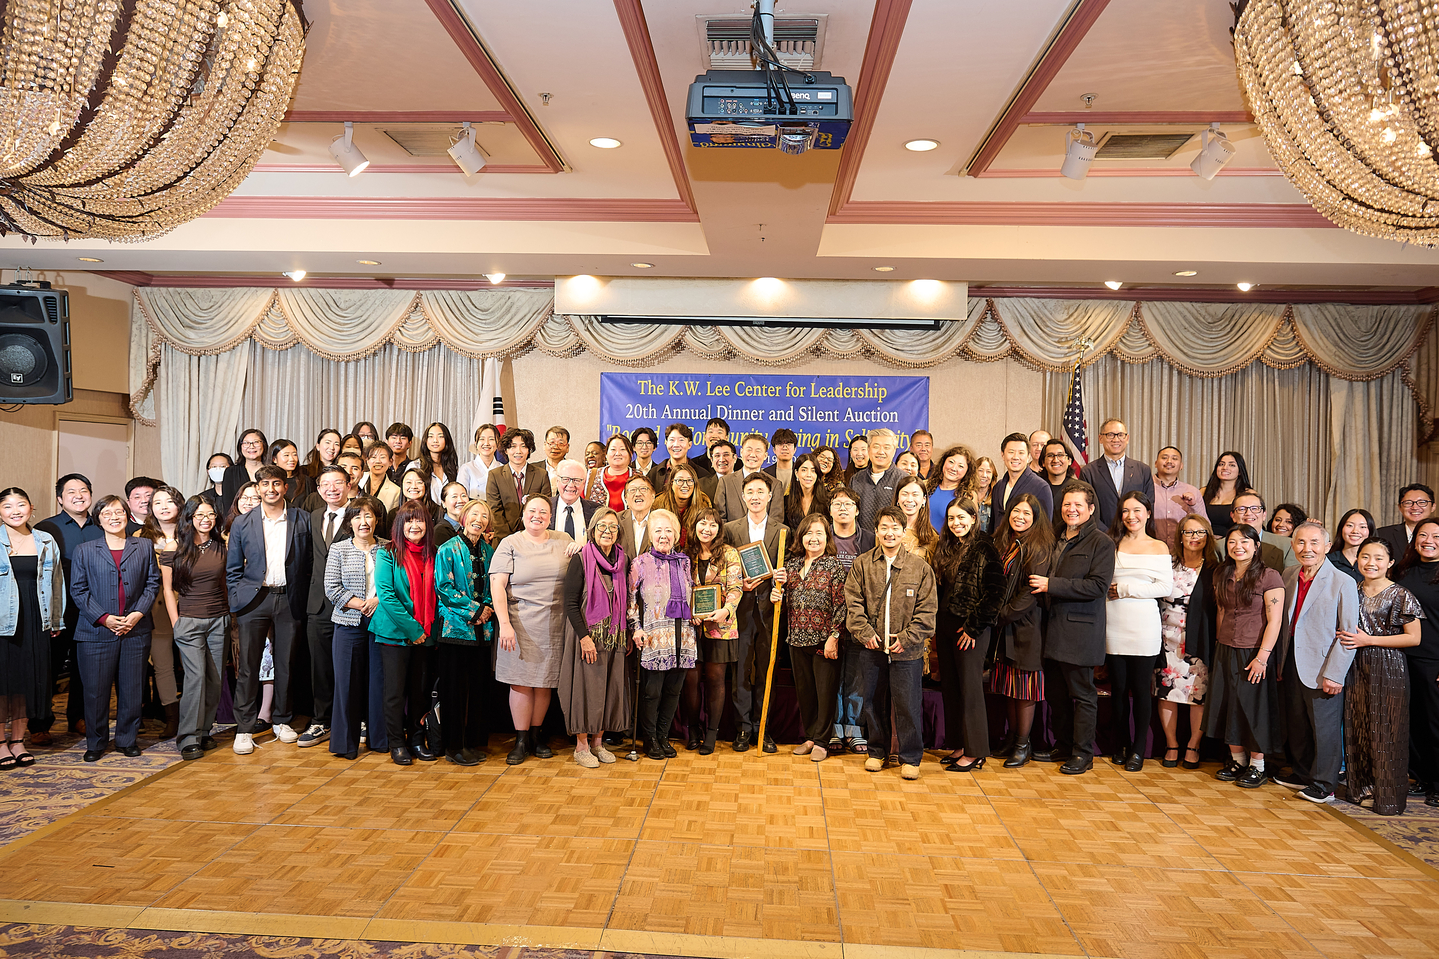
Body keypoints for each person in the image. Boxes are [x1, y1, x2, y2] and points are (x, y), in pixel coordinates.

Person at [225, 465, 313, 756]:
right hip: (254, 600)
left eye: (277, 484)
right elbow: (233, 569)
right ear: (258, 488)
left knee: (286, 663)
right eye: (265, 485)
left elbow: (311, 563)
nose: (271, 489)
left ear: (286, 487)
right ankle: (244, 728)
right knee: (249, 667)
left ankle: (282, 721)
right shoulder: (243, 522)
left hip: (290, 599)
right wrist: (239, 599)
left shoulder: (303, 519)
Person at [846, 506, 937, 780]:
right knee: (872, 701)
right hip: (871, 648)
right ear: (876, 531)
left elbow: (927, 611)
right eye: (884, 527)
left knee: (907, 704)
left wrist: (907, 638)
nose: (889, 532)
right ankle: (877, 751)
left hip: (906, 651)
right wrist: (865, 633)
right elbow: (853, 603)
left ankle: (911, 757)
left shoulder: (919, 568)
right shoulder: (862, 564)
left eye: (895, 527)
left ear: (903, 531)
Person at [1030, 482, 1115, 775]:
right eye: (1067, 504)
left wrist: (1051, 585)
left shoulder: (1101, 543)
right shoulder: (1053, 536)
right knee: (1056, 693)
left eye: (1078, 505)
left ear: (1091, 509)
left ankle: (1082, 753)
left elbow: (1097, 586)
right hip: (1050, 629)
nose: (1072, 510)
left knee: (1082, 695)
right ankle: (1063, 746)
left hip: (1080, 632)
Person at [1273, 521, 1359, 803]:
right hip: (1291, 662)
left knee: (1325, 728)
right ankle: (1301, 772)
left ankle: (1325, 783)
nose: (1306, 549)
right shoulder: (1288, 574)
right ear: (1292, 545)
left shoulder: (1342, 581)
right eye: (1300, 543)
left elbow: (1348, 634)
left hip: (1323, 667)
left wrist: (1336, 673)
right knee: (1297, 723)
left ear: (1326, 547)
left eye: (1313, 543)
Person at [70, 494, 159, 762]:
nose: (114, 517)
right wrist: (104, 618)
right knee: (95, 690)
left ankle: (126, 739)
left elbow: (152, 584)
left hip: (135, 629)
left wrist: (137, 614)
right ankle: (96, 742)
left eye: (118, 512)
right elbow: (78, 589)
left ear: (126, 515)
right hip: (95, 632)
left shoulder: (143, 546)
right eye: (107, 513)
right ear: (98, 519)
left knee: (132, 688)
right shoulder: (85, 550)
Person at [1338, 537, 1421, 815]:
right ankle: (1360, 788)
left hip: (1389, 669)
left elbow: (1414, 639)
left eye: (1378, 558)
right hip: (1355, 666)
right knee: (1358, 726)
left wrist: (1369, 640)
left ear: (1390, 563)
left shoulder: (1401, 594)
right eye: (1365, 557)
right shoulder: (1351, 589)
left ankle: (1388, 797)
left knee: (1387, 731)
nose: (1370, 563)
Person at [490, 495, 572, 764]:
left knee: (545, 683)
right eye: (532, 511)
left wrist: (579, 547)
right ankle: (521, 739)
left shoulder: (563, 540)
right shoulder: (510, 543)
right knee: (522, 682)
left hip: (555, 624)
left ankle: (537, 736)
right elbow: (497, 587)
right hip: (519, 623)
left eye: (544, 512)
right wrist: (504, 624)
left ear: (551, 516)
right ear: (523, 514)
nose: (537, 515)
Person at [1204, 525, 1285, 788]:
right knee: (1228, 705)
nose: (1238, 546)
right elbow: (1220, 611)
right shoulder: (1222, 573)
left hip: (1254, 651)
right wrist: (1219, 644)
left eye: (1245, 541)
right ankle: (1237, 760)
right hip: (1226, 647)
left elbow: (1275, 621)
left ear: (1256, 545)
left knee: (1254, 709)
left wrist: (1262, 657)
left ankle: (1257, 766)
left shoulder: (1269, 576)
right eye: (1232, 542)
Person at [1104, 491, 1174, 772]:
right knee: (1118, 689)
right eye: (1125, 511)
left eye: (1137, 510)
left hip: (1144, 626)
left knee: (1141, 691)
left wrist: (1125, 589)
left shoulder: (1159, 547)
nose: (1131, 516)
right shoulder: (1112, 544)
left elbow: (1164, 588)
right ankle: (1120, 744)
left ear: (1147, 513)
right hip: (1114, 623)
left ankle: (1138, 749)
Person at [931, 497, 1002, 772]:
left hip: (971, 630)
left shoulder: (985, 546)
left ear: (974, 518)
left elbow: (995, 593)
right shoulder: (947, 546)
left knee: (971, 690)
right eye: (951, 519)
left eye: (962, 518)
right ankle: (959, 744)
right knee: (952, 688)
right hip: (947, 627)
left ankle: (975, 751)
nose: (956, 523)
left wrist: (974, 627)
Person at [770, 512, 846, 762]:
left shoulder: (834, 566)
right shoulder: (790, 566)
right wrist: (775, 592)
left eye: (819, 534)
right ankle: (812, 736)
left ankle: (823, 742)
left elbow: (842, 605)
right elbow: (781, 601)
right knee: (805, 692)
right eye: (809, 533)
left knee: (825, 693)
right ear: (801, 536)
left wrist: (834, 636)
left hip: (823, 640)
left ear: (827, 538)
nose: (813, 539)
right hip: (795, 639)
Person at [559, 506, 630, 767]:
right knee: (586, 690)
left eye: (613, 527)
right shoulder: (581, 558)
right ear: (592, 531)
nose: (608, 531)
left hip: (615, 636)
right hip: (588, 635)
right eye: (602, 526)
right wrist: (584, 637)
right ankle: (581, 746)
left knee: (609, 689)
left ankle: (599, 744)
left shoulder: (623, 560)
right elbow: (569, 602)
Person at [370, 500, 439, 766]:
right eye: (408, 520)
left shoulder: (435, 552)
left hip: (427, 634)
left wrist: (424, 632)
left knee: (420, 692)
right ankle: (397, 743)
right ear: (400, 524)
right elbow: (386, 595)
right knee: (395, 692)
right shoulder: (387, 553)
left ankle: (417, 740)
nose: (414, 525)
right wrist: (413, 629)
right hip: (395, 633)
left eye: (419, 520)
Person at [34, 473, 102, 740]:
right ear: (60, 498)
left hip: (93, 609)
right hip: (58, 609)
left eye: (83, 490)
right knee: (48, 668)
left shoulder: (102, 526)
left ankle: (79, 717)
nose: (78, 495)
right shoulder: (44, 529)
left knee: (84, 668)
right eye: (71, 491)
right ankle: (40, 724)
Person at [161, 496, 228, 760]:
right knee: (196, 678)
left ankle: (203, 731)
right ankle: (187, 737)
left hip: (219, 620)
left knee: (214, 680)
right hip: (188, 621)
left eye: (210, 515)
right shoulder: (174, 547)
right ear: (189, 518)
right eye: (199, 515)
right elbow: (167, 590)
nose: (205, 520)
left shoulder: (222, 546)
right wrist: (176, 622)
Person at [989, 493, 1054, 767]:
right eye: (1016, 511)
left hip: (1026, 624)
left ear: (1036, 517)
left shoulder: (1039, 546)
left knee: (1025, 687)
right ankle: (1012, 737)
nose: (1020, 517)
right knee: (1009, 684)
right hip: (1005, 626)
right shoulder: (1005, 541)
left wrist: (1002, 614)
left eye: (1027, 513)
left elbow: (1031, 590)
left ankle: (1023, 744)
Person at [0, 489, 63, 768]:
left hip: (36, 620)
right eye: (7, 506)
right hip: (3, 623)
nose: (15, 511)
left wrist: (57, 620)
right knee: (3, 685)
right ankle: (0, 744)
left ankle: (18, 741)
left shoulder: (45, 540)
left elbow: (57, 583)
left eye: (21, 504)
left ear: (31, 507)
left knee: (26, 684)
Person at [724, 471, 786, 753]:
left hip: (770, 610)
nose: (756, 497)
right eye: (750, 492)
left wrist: (781, 579)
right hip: (740, 610)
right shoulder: (730, 529)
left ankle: (763, 729)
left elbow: (791, 570)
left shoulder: (783, 530)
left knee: (766, 671)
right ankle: (743, 729)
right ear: (743, 496)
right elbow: (724, 570)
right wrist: (739, 583)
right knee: (740, 672)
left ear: (770, 495)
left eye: (761, 492)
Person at [325, 495, 388, 760]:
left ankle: (379, 739)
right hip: (348, 623)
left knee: (379, 684)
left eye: (369, 516)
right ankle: (345, 744)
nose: (364, 522)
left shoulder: (388, 547)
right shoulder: (339, 549)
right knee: (347, 685)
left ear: (376, 520)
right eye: (358, 516)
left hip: (382, 623)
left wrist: (376, 601)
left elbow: (396, 584)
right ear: (350, 522)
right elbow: (331, 587)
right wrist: (360, 604)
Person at [434, 499, 497, 766]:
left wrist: (488, 608)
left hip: (482, 631)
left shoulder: (488, 550)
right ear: (463, 516)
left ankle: (471, 742)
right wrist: (475, 610)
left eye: (484, 516)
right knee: (453, 691)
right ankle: (453, 746)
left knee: (476, 689)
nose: (479, 519)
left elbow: (497, 583)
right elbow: (444, 588)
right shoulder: (448, 549)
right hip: (455, 630)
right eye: (474, 513)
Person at [629, 509, 695, 759]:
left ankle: (664, 736)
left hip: (683, 637)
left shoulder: (684, 562)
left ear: (676, 535)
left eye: (668, 531)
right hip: (654, 637)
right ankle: (650, 739)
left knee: (673, 691)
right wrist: (636, 627)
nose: (663, 535)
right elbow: (631, 600)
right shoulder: (640, 563)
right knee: (652, 691)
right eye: (658, 530)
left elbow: (693, 595)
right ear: (650, 534)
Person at [1156, 514, 1217, 771]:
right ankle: (1171, 744)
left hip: (1197, 640)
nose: (1194, 538)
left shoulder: (1215, 568)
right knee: (1167, 692)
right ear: (1180, 536)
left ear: (1208, 537)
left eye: (1200, 532)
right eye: (1189, 532)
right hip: (1165, 639)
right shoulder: (1167, 564)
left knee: (1197, 696)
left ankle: (1193, 745)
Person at [683, 506, 742, 754]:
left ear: (719, 529)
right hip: (692, 628)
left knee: (717, 681)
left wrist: (726, 611)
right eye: (702, 524)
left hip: (721, 627)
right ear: (694, 527)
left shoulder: (729, 554)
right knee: (691, 680)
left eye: (713, 525)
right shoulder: (685, 554)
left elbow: (736, 587)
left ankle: (712, 733)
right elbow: (680, 589)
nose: (707, 529)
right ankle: (693, 729)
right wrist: (690, 613)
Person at [302, 466, 352, 749]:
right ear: (319, 489)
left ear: (348, 485)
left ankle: (355, 719)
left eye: (338, 483)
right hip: (317, 604)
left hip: (351, 604)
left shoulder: (359, 515)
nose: (332, 488)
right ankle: (321, 719)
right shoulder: (312, 517)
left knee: (351, 665)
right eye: (326, 484)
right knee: (319, 666)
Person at [1396, 518, 1439, 807]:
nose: (1428, 540)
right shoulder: (1404, 569)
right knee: (1412, 723)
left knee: (1435, 724)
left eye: (1436, 535)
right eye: (1422, 535)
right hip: (1402, 658)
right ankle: (1422, 777)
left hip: (1434, 660)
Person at [828, 487, 874, 754]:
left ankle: (854, 730)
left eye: (848, 504)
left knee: (856, 675)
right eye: (837, 503)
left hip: (861, 617)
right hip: (828, 619)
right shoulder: (824, 537)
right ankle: (834, 729)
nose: (842, 508)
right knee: (833, 674)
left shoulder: (868, 539)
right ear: (830, 509)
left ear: (857, 510)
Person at [136, 485, 184, 739]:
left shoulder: (192, 533)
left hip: (189, 606)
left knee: (192, 664)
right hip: (154, 609)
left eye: (170, 501)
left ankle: (195, 713)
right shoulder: (139, 537)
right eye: (157, 503)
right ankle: (172, 718)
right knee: (163, 665)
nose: (164, 507)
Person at [1076, 418, 1153, 529]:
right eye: (1110, 435)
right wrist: (1106, 536)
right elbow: (1086, 508)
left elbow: (1149, 506)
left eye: (1120, 435)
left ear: (1127, 438)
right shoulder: (1088, 472)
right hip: (1101, 537)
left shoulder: (1142, 470)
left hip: (1136, 535)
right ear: (1100, 438)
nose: (1116, 439)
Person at [487, 428, 552, 538]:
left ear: (529, 450)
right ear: (506, 450)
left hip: (535, 537)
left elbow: (546, 507)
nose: (518, 451)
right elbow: (495, 510)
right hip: (503, 539)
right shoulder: (495, 475)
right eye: (513, 446)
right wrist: (509, 540)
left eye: (523, 446)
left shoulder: (541, 475)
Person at [713, 433, 785, 526]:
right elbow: (719, 517)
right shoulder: (725, 482)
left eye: (758, 451)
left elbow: (776, 520)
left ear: (765, 455)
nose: (752, 454)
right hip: (731, 538)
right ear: (741, 452)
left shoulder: (775, 484)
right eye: (749, 450)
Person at [991, 433, 1052, 536]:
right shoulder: (999, 486)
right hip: (999, 547)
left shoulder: (1041, 487)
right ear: (1002, 455)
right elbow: (993, 523)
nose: (1015, 457)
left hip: (1026, 548)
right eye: (1011, 452)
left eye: (1021, 453)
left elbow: (1044, 529)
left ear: (1028, 456)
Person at [852, 429, 905, 532]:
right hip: (861, 543)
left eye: (886, 447)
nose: (881, 451)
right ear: (868, 449)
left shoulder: (903, 479)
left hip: (892, 541)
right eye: (876, 446)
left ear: (894, 451)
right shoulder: (856, 479)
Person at [1230, 491, 1297, 571]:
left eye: (1254, 509)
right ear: (1233, 516)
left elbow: (1290, 579)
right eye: (1241, 509)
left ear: (1264, 515)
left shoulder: (1287, 545)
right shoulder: (1219, 546)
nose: (1248, 513)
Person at [1151, 446, 1203, 549]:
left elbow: (1204, 525)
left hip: (1183, 551)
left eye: (1174, 458)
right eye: (1164, 457)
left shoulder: (1193, 491)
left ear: (1181, 466)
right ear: (1156, 463)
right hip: (1151, 550)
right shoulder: (1145, 488)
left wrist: (1193, 506)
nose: (1169, 461)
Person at [653, 462, 710, 548]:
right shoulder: (658, 504)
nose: (685, 485)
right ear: (671, 483)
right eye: (680, 480)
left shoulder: (704, 504)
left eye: (690, 481)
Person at [1376, 484, 1435, 563]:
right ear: (1400, 507)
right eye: (1408, 502)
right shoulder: (1382, 534)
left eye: (1422, 502)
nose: (1415, 507)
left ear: (1433, 507)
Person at [219, 428, 268, 517]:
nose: (251, 446)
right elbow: (228, 504)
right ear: (240, 447)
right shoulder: (231, 472)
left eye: (256, 442)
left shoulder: (271, 472)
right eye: (246, 443)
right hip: (239, 523)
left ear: (263, 445)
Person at [1201, 451, 1250, 540]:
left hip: (1233, 542)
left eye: (1231, 465)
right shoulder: (1203, 492)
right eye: (1221, 464)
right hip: (1204, 542)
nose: (1225, 468)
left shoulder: (1248, 494)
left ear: (1240, 471)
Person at [655, 423, 714, 496]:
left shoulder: (702, 474)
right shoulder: (654, 473)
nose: (676, 444)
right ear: (666, 443)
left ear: (689, 445)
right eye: (672, 440)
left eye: (681, 440)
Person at [410, 422, 461, 505]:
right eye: (431, 436)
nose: (435, 440)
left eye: (440, 436)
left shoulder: (453, 468)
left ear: (447, 440)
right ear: (425, 440)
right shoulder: (416, 466)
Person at [550, 459, 599, 544]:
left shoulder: (596, 511)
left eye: (577, 480)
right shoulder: (544, 507)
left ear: (584, 483)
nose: (571, 485)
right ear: (557, 481)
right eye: (565, 479)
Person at [783, 453, 830, 534]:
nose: (809, 475)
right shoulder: (786, 501)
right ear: (796, 473)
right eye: (804, 470)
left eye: (813, 470)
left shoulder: (827, 500)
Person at [896, 477, 939, 564]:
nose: (909, 499)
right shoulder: (885, 529)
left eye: (915, 495)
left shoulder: (932, 537)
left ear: (923, 500)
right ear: (898, 499)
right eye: (905, 494)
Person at [587, 433, 635, 511]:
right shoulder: (592, 475)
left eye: (622, 449)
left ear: (630, 453)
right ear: (606, 454)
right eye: (613, 449)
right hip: (598, 522)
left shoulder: (638, 477)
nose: (617, 453)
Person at [1328, 508, 1375, 583]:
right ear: (1341, 528)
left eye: (1362, 527)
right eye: (1350, 525)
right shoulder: (1328, 561)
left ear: (1370, 531)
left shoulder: (1375, 562)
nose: (1355, 531)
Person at [457, 423, 503, 500]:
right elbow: (461, 498)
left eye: (491, 439)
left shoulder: (503, 469)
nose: (486, 443)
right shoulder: (466, 468)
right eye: (482, 439)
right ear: (476, 443)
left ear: (497, 443)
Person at [618, 474, 656, 560]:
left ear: (653, 496)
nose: (638, 494)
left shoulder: (662, 521)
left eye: (643, 489)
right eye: (632, 490)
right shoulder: (616, 520)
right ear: (626, 499)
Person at [268, 439, 315, 507]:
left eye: (294, 455)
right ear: (274, 459)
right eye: (286, 455)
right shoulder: (268, 482)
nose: (292, 459)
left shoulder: (306, 481)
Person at [359, 441, 402, 515]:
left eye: (382, 457)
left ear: (390, 462)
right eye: (373, 457)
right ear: (367, 461)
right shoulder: (358, 480)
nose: (378, 461)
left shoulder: (396, 491)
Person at [1040, 441, 1073, 519]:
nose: (1055, 460)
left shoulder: (1082, 488)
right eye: (1050, 455)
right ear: (1043, 462)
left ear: (1069, 461)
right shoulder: (1035, 487)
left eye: (1060, 455)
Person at [435, 481, 470, 547]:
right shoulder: (440, 531)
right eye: (454, 496)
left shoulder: (470, 526)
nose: (460, 500)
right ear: (443, 503)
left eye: (463, 495)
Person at [766, 428, 798, 495]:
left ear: (795, 449)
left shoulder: (801, 472)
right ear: (774, 449)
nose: (785, 448)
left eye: (789, 444)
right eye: (780, 444)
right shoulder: (766, 474)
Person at [971, 456, 997, 534]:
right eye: (980, 470)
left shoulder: (996, 497)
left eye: (988, 472)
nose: (984, 475)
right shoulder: (965, 495)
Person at [542, 426, 572, 491]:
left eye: (561, 443)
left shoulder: (573, 470)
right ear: (544, 445)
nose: (555, 447)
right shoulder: (532, 470)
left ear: (567, 447)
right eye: (552, 443)